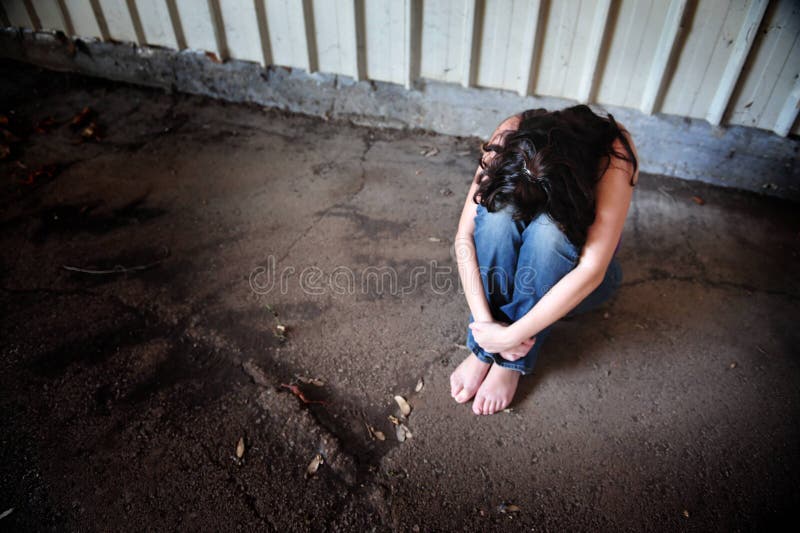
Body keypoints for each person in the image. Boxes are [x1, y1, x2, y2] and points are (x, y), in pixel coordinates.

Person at [450, 105, 639, 415]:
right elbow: (464, 237)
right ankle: (489, 352)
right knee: (498, 218)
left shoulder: (614, 153)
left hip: (580, 282)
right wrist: (486, 330)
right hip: (511, 290)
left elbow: (591, 271)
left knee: (549, 233)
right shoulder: (511, 134)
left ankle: (509, 364)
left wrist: (512, 336)